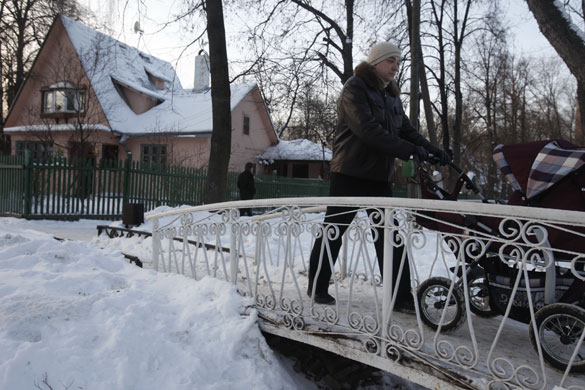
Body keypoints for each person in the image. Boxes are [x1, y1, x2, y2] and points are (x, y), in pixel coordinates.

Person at [307, 42, 450, 306]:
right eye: (390, 61)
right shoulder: (355, 87)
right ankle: (317, 286)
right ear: (375, 63)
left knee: (389, 235)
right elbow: (368, 130)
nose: (396, 66)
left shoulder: (392, 95)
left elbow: (406, 129)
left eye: (398, 61)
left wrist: (432, 150)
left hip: (378, 176)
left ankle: (401, 297)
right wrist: (409, 151)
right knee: (334, 231)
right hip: (349, 172)